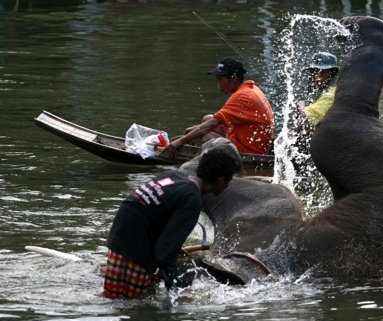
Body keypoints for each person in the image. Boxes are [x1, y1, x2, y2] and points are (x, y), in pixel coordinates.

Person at [103, 139, 242, 299]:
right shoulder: (192, 200)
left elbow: (150, 212)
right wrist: (175, 291)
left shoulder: (173, 176)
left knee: (115, 297)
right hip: (134, 250)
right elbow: (164, 254)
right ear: (221, 180)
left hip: (119, 238)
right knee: (129, 306)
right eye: (230, 180)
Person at [169, 58, 274, 155]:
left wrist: (180, 141)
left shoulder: (242, 96)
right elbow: (214, 121)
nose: (219, 85)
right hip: (253, 140)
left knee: (205, 136)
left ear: (233, 78)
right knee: (207, 119)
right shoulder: (251, 88)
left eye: (220, 79)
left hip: (251, 150)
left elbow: (212, 124)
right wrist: (190, 132)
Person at [297, 52, 339, 130]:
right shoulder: (323, 92)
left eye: (322, 72)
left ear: (331, 74)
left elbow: (305, 117)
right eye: (313, 71)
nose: (315, 76)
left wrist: (300, 105)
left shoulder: (332, 95)